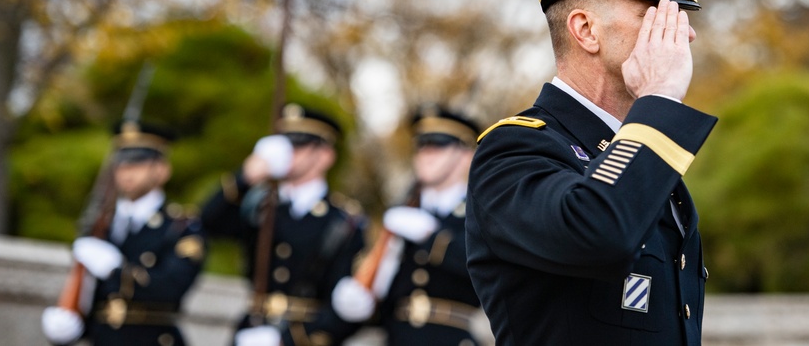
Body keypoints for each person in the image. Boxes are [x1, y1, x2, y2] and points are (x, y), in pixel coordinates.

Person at [465, 0, 720, 345]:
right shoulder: (512, 152)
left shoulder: (643, 153)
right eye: (655, 14)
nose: (685, 35)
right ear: (586, 31)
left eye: (681, 16)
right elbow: (598, 234)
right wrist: (658, 98)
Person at [201, 104, 366, 346]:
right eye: (284, 144)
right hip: (251, 333)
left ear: (325, 156)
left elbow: (348, 307)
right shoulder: (259, 205)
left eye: (298, 145)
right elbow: (209, 223)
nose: (287, 153)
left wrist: (288, 340)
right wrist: (245, 177)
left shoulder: (344, 221)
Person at [331, 104, 485, 346]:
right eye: (422, 146)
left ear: (466, 155)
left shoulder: (480, 213)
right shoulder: (403, 212)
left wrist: (431, 238)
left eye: (439, 146)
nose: (426, 155)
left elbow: (484, 268)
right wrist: (362, 298)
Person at [42, 120, 206, 346]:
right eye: (121, 164)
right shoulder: (101, 225)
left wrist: (115, 271)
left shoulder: (181, 226)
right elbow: (95, 298)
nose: (127, 172)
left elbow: (170, 288)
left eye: (138, 164)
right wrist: (73, 324)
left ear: (161, 170)